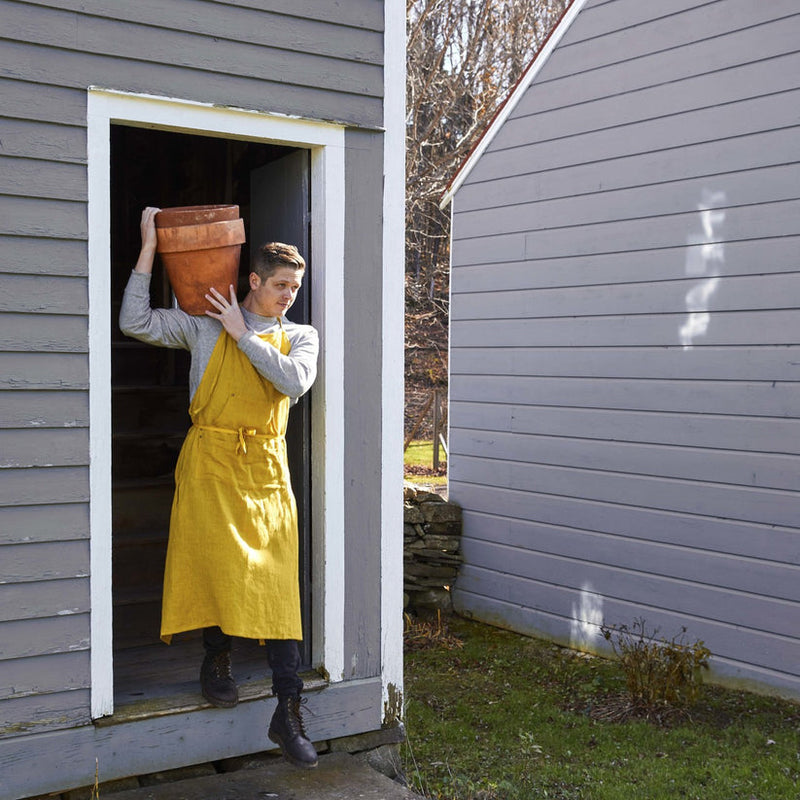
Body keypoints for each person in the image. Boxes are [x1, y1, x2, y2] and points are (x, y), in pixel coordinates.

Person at [119, 206, 320, 769]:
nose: (289, 296)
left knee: (278, 589)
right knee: (212, 565)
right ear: (252, 280)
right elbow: (134, 322)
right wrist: (149, 249)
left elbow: (294, 383)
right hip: (209, 460)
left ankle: (288, 709)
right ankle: (217, 662)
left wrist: (245, 335)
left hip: (265, 471)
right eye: (281, 285)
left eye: (295, 287)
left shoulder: (299, 335)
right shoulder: (203, 324)